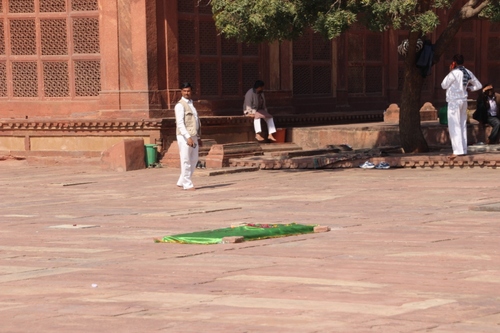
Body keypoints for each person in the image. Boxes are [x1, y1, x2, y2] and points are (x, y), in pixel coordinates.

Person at [441, 54, 482, 160]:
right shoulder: (468, 72)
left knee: (454, 125)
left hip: (454, 102)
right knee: (462, 124)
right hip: (464, 101)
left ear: (454, 62)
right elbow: (478, 85)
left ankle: (457, 151)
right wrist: (470, 89)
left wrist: (451, 71)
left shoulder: (454, 74)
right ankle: (463, 149)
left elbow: (443, 85)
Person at [175, 82, 201, 191]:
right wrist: (187, 137)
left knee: (194, 159)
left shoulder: (191, 104)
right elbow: (180, 123)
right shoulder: (180, 105)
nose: (187, 93)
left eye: (188, 91)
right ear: (181, 91)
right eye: (184, 91)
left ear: (191, 91)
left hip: (194, 135)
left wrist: (199, 137)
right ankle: (187, 184)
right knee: (185, 160)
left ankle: (182, 180)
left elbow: (196, 121)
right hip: (184, 136)